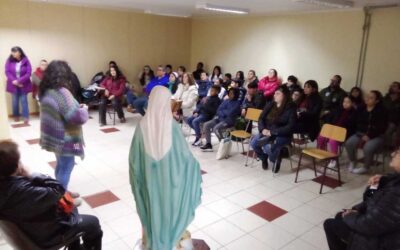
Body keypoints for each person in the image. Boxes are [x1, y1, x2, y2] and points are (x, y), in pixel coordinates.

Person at [129, 86, 201, 250]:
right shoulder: (173, 127)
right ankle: (171, 241)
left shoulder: (141, 126)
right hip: (170, 187)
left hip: (148, 184)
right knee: (169, 212)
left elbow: (133, 160)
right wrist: (194, 167)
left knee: (152, 210)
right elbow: (185, 158)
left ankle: (152, 240)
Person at [0, 140, 103, 250]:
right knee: (93, 222)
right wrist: (32, 175)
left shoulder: (9, 186)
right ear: (16, 166)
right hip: (48, 235)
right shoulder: (22, 190)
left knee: (71, 208)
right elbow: (58, 190)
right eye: (19, 160)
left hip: (29, 230)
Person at [323, 147, 400, 250]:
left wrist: (350, 215)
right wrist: (374, 186)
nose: (392, 154)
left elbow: (370, 225)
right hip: (378, 227)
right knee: (339, 216)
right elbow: (370, 200)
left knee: (330, 224)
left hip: (381, 241)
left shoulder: (396, 193)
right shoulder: (393, 179)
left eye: (398, 152)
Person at [39, 60, 89, 190]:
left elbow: (62, 111)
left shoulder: (46, 91)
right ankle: (60, 200)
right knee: (67, 165)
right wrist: (84, 110)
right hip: (64, 138)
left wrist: (77, 107)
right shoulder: (62, 92)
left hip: (54, 137)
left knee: (61, 164)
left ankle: (59, 192)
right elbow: (75, 117)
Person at [250, 86, 296, 172]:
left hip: (282, 134)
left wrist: (273, 132)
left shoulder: (291, 108)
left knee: (268, 147)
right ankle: (264, 158)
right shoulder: (271, 104)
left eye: (278, 94)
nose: (275, 95)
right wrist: (262, 129)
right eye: (275, 93)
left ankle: (275, 160)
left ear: (285, 96)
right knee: (253, 143)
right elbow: (261, 118)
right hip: (267, 131)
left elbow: (290, 127)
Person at [345, 90, 388, 174]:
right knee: (349, 143)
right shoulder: (361, 108)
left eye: (371, 98)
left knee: (368, 148)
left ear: (377, 101)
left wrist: (370, 135)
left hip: (377, 136)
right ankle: (353, 161)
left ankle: (366, 167)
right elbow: (355, 122)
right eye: (367, 96)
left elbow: (382, 127)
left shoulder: (382, 111)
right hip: (360, 133)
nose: (367, 99)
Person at [317, 95, 356, 169]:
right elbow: (331, 118)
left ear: (353, 103)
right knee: (321, 136)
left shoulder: (354, 113)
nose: (345, 103)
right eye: (344, 101)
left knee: (333, 140)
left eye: (348, 102)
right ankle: (322, 153)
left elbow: (351, 127)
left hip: (343, 133)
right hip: (333, 129)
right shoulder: (339, 109)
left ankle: (333, 159)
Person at [5, 46, 32, 124]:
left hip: (24, 84)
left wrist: (19, 81)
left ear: (19, 53)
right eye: (12, 51)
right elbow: (7, 72)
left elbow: (28, 73)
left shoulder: (26, 60)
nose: (13, 53)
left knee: (24, 101)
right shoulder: (9, 60)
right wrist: (14, 81)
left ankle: (26, 117)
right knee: (15, 101)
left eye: (15, 52)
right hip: (13, 84)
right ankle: (16, 116)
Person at [383, 81, 400, 148]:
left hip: (395, 121)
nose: (392, 87)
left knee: (389, 130)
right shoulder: (385, 98)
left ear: (399, 89)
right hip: (384, 119)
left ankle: (388, 148)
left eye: (394, 86)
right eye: (391, 85)